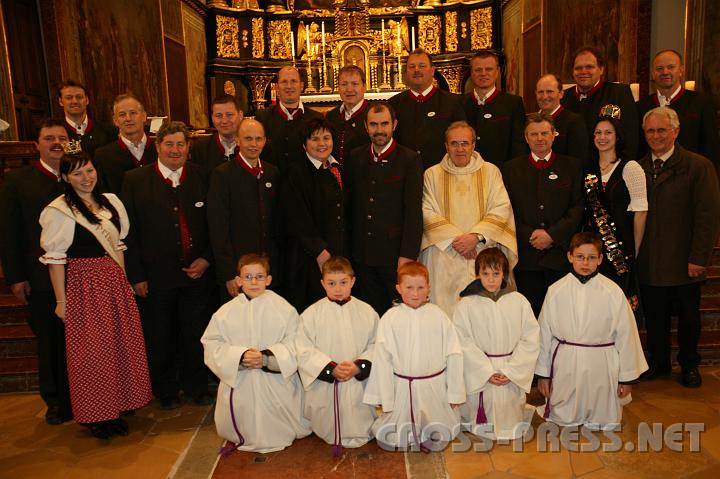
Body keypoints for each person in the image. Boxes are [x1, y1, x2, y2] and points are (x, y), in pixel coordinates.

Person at [39, 148, 152, 439]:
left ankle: (120, 404)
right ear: (66, 177)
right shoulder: (59, 211)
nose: (86, 177)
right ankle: (97, 416)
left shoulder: (110, 203)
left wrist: (124, 283)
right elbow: (55, 259)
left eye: (89, 170)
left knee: (120, 346)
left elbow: (118, 247)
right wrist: (61, 301)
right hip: (83, 287)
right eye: (77, 173)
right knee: (93, 354)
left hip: (113, 283)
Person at [121, 121, 213, 409]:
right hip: (155, 275)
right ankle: (166, 390)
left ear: (189, 147)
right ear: (157, 147)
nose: (175, 150)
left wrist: (206, 259)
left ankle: (196, 385)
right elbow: (129, 232)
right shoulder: (135, 180)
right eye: (169, 144)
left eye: (180, 144)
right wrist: (136, 275)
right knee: (160, 333)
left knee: (196, 332)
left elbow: (216, 225)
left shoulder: (203, 177)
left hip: (196, 274)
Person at [637, 107, 720, 387]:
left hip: (685, 260)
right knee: (655, 318)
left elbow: (707, 217)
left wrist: (699, 257)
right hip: (650, 260)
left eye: (662, 130)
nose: (656, 136)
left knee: (688, 318)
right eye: (651, 130)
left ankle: (689, 365)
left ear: (676, 131)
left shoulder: (698, 166)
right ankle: (659, 363)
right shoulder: (637, 168)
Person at [201, 254, 311, 453]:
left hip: (275, 380)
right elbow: (211, 343)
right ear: (238, 281)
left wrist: (267, 358)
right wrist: (239, 356)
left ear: (268, 280)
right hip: (242, 378)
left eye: (259, 276)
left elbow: (296, 342)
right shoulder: (225, 312)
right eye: (248, 277)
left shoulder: (284, 309)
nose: (253, 282)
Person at [535, 232, 648, 429]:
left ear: (600, 259)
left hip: (601, 363)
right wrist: (544, 375)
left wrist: (626, 377)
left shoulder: (613, 292)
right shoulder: (556, 291)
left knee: (601, 415)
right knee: (564, 414)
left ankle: (600, 416)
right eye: (580, 257)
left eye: (591, 257)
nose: (585, 262)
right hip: (566, 362)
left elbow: (626, 335)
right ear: (570, 256)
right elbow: (544, 334)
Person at [0, 120, 71, 425]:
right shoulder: (18, 181)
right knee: (50, 342)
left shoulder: (78, 175)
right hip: (40, 278)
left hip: (79, 275)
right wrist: (16, 276)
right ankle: (55, 401)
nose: (57, 143)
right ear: (36, 144)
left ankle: (81, 396)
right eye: (49, 138)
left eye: (62, 138)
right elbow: (9, 232)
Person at [363, 262, 465, 452]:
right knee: (390, 440)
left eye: (420, 287)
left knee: (438, 435)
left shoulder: (439, 316)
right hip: (403, 387)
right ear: (398, 288)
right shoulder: (390, 318)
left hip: (433, 387)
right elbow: (382, 360)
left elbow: (454, 353)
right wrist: (384, 396)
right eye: (409, 287)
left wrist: (454, 392)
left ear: (429, 287)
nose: (415, 293)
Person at [419, 121, 517, 316]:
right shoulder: (432, 174)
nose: (460, 148)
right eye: (454, 143)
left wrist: (476, 237)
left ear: (474, 145)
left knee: (484, 316)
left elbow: (501, 207)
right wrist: (457, 240)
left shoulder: (490, 171)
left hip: (482, 251)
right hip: (444, 254)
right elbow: (426, 210)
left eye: (465, 143)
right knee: (445, 314)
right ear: (446, 146)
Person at [344, 102, 423, 315]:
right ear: (365, 126)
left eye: (384, 124)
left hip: (394, 255)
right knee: (366, 315)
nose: (379, 130)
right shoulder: (355, 157)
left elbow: (414, 212)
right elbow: (349, 206)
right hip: (362, 255)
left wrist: (407, 255)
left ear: (394, 125)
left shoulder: (410, 159)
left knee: (397, 314)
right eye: (374, 124)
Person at [502, 113, 584, 316]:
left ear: (554, 135)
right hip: (526, 258)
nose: (540, 138)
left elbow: (577, 208)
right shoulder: (511, 169)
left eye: (545, 133)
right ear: (526, 137)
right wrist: (529, 235)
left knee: (562, 315)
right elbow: (506, 209)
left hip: (560, 257)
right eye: (534, 134)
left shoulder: (572, 166)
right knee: (530, 316)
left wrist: (552, 235)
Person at [453, 248, 539, 441]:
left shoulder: (518, 301)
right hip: (483, 368)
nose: (491, 279)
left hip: (511, 366)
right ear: (477, 275)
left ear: (504, 274)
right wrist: (486, 371)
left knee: (510, 410)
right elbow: (462, 341)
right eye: (485, 274)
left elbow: (530, 338)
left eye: (496, 273)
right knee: (484, 409)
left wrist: (511, 371)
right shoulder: (466, 304)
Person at [295, 256, 378, 455]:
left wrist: (359, 366)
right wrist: (330, 368)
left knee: (360, 415)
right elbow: (303, 348)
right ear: (323, 284)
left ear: (353, 282)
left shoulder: (367, 311)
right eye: (331, 283)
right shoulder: (311, 314)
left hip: (357, 383)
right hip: (327, 384)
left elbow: (377, 344)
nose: (338, 288)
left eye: (343, 282)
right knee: (327, 420)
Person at [280, 117, 348, 312]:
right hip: (309, 259)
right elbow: (297, 217)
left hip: (338, 253)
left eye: (326, 138)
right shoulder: (295, 172)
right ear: (304, 144)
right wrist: (319, 251)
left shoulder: (336, 168)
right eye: (315, 139)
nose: (322, 144)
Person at [207, 118, 280, 301]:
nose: (253, 144)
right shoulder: (222, 175)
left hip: (268, 269)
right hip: (239, 271)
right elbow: (218, 228)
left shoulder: (272, 172)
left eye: (258, 139)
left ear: (264, 141)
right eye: (248, 139)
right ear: (237, 141)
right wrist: (228, 273)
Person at [586, 116, 647, 304]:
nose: (602, 137)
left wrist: (634, 250)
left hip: (622, 247)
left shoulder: (630, 167)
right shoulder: (588, 168)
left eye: (608, 132)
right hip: (594, 249)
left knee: (622, 301)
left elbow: (641, 211)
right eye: (598, 132)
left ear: (618, 136)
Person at [637, 50, 719, 173]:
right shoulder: (641, 106)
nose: (665, 72)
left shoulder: (701, 103)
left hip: (691, 176)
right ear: (653, 74)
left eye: (671, 67)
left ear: (681, 70)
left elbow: (711, 146)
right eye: (659, 68)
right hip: (650, 176)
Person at [388, 48, 465, 170]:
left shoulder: (452, 102)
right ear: (406, 71)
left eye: (422, 66)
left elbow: (461, 138)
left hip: (443, 171)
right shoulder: (394, 104)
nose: (416, 70)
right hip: (405, 172)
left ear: (432, 71)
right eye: (412, 67)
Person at [561, 46, 639, 162]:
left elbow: (632, 137)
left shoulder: (620, 93)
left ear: (601, 69)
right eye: (578, 68)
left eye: (589, 67)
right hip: (572, 170)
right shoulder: (562, 98)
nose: (583, 72)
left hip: (611, 169)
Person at [462, 50, 527, 168]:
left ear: (497, 72)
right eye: (478, 70)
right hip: (467, 173)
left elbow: (519, 145)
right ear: (471, 73)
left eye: (489, 69)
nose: (483, 73)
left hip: (501, 173)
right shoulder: (460, 103)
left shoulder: (513, 103)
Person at [255, 66, 323, 173]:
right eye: (284, 82)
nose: (289, 86)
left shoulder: (316, 118)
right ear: (277, 87)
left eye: (293, 81)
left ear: (301, 86)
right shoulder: (262, 118)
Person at [94, 94, 156, 194]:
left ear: (144, 116)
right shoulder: (103, 156)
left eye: (133, 113)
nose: (128, 118)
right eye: (122, 115)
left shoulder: (160, 149)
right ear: (115, 121)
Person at [535, 73, 589, 170]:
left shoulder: (574, 121)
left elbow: (577, 161)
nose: (544, 96)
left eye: (550, 91)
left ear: (561, 94)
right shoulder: (529, 122)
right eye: (540, 92)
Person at [57, 80, 115, 157]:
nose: (75, 101)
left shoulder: (109, 132)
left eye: (79, 97)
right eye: (69, 98)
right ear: (60, 101)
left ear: (87, 100)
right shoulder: (56, 134)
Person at [325, 65, 370, 164]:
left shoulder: (372, 114)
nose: (349, 89)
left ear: (364, 87)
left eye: (354, 84)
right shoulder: (331, 116)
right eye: (344, 84)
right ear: (338, 88)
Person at [189, 94, 243, 173]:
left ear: (240, 115)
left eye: (229, 115)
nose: (224, 121)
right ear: (212, 118)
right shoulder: (200, 148)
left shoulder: (253, 146)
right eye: (219, 116)